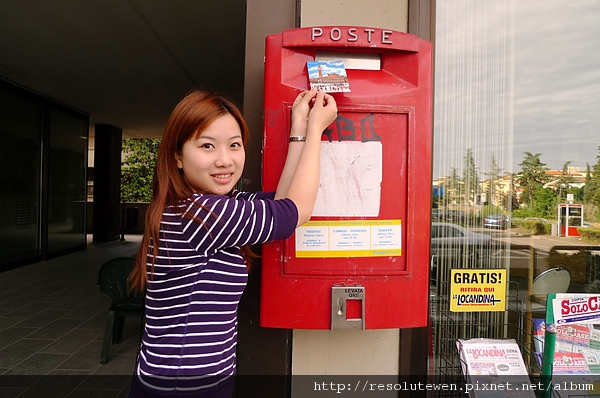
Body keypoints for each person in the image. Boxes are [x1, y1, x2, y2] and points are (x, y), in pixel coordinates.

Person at [128, 87, 337, 397]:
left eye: (234, 145)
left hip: (187, 373)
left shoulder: (205, 205)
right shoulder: (201, 215)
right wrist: (317, 130)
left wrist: (299, 130)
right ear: (178, 156)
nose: (224, 160)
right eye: (207, 146)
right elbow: (296, 211)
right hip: (184, 383)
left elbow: (282, 201)